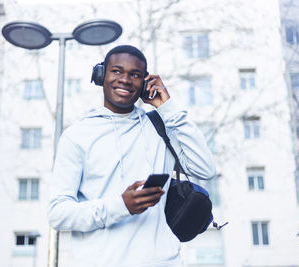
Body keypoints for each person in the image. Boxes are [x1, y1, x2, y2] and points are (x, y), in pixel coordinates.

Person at [48, 45, 216, 267]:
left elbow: (205, 169)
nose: (125, 80)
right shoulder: (77, 135)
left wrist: (169, 108)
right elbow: (58, 214)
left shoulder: (160, 127)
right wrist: (120, 207)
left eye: (135, 75)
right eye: (117, 71)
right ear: (101, 75)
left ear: (145, 83)